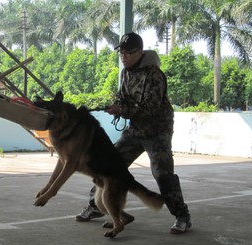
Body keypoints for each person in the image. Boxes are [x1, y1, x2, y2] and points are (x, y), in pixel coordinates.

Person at [75, 32, 191, 234]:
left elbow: (151, 108)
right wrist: (117, 106)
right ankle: (96, 207)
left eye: (128, 52)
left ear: (139, 52)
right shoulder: (126, 73)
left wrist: (123, 110)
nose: (124, 56)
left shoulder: (154, 74)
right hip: (136, 129)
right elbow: (124, 99)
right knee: (107, 165)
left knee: (162, 174)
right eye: (121, 52)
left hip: (158, 131)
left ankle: (182, 216)